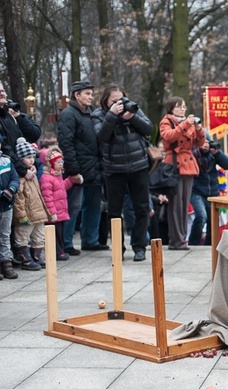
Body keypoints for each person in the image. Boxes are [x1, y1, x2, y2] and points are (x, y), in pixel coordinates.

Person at [91, 84, 153, 261]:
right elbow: (101, 136)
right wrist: (112, 115)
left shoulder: (133, 108)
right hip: (114, 169)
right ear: (106, 101)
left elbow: (149, 128)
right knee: (114, 211)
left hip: (138, 165)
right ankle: (118, 248)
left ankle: (140, 247)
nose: (119, 103)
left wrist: (132, 117)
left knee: (141, 208)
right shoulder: (99, 115)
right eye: (114, 100)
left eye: (121, 99)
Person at [58, 81, 106, 254]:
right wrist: (73, 170)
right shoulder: (68, 114)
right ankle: (67, 243)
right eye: (87, 94)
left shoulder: (91, 113)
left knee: (94, 205)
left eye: (91, 94)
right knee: (73, 206)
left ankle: (90, 240)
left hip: (94, 167)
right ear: (76, 95)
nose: (91, 97)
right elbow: (66, 143)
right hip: (78, 168)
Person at [159, 96, 206, 250]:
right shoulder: (167, 121)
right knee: (176, 205)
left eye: (184, 106)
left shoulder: (187, 122)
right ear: (171, 107)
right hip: (174, 165)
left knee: (184, 204)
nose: (182, 109)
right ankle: (175, 240)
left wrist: (199, 131)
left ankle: (181, 239)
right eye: (179, 106)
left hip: (189, 166)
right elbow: (169, 136)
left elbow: (198, 143)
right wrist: (185, 124)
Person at [13, 138, 51, 270]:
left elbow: (38, 194)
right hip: (27, 214)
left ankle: (37, 256)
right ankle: (26, 259)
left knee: (39, 236)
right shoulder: (20, 176)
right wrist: (21, 214)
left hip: (38, 212)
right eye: (27, 157)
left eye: (33, 157)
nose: (31, 160)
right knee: (23, 236)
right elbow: (18, 197)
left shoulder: (33, 174)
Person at [40, 147, 81, 260]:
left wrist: (70, 180)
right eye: (58, 162)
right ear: (51, 163)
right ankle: (56, 252)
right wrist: (52, 212)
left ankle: (60, 250)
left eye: (62, 162)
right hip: (54, 213)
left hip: (60, 211)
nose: (61, 164)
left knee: (60, 233)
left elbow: (62, 187)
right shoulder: (46, 178)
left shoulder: (57, 175)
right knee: (54, 234)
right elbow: (47, 197)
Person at [190, 140, 228, 246]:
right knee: (201, 216)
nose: (205, 144)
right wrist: (199, 150)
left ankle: (209, 245)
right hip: (196, 192)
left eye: (207, 142)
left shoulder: (213, 154)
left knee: (212, 221)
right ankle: (193, 244)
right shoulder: (193, 152)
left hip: (213, 193)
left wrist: (217, 153)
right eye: (203, 142)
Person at [0, 82, 41, 166]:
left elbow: (35, 134)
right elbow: (5, 148)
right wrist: (23, 170)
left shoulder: (12, 116)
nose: (1, 94)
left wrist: (19, 118)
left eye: (2, 91)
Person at [0, 135, 19, 279]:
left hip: (6, 205)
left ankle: (6, 262)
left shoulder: (6, 160)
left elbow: (15, 177)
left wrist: (11, 189)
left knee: (5, 235)